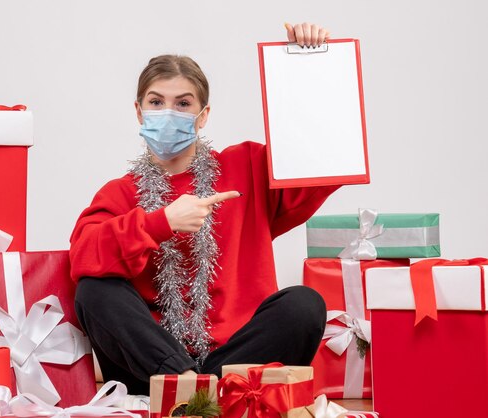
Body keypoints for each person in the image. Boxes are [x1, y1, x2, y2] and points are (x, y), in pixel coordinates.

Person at [70, 22, 340, 395]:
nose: (168, 112)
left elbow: (318, 160)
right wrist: (160, 222)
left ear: (203, 115)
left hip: (237, 359)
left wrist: (308, 67)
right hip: (152, 371)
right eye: (156, 102)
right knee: (93, 291)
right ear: (139, 112)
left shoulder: (246, 166)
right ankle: (189, 386)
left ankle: (199, 392)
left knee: (304, 304)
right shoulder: (119, 193)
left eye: (183, 103)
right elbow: (82, 256)